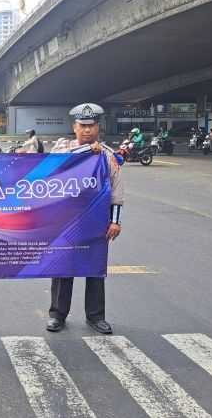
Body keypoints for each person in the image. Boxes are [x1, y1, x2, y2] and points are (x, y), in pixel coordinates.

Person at [46, 103, 124, 335]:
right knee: (62, 268)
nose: (87, 130)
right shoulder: (63, 147)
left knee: (94, 268)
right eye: (83, 126)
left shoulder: (108, 156)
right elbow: (53, 165)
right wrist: (88, 151)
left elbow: (117, 190)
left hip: (96, 221)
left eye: (91, 126)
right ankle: (57, 315)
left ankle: (95, 316)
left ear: (98, 127)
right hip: (65, 220)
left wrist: (115, 221)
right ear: (75, 127)